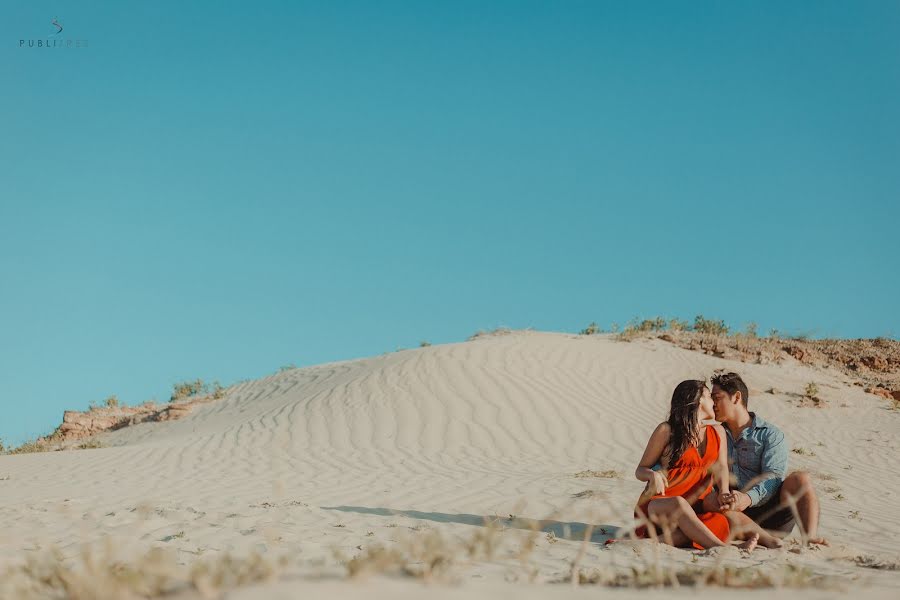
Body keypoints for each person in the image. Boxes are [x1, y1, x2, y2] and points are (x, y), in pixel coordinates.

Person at [634, 380, 780, 550]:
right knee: (679, 503)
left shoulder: (717, 432)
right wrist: (652, 475)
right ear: (698, 400)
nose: (714, 402)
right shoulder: (667, 431)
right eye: (709, 396)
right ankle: (720, 547)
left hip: (696, 506)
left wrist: (724, 491)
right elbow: (640, 470)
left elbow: (722, 468)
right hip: (661, 505)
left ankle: (770, 541)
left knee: (721, 508)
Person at [705, 372, 828, 546]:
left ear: (736, 397)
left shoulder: (770, 435)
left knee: (801, 478)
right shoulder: (714, 434)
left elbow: (774, 476)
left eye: (717, 398)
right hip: (733, 514)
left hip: (770, 513)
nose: (712, 404)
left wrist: (747, 498)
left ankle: (810, 538)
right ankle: (762, 538)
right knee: (710, 500)